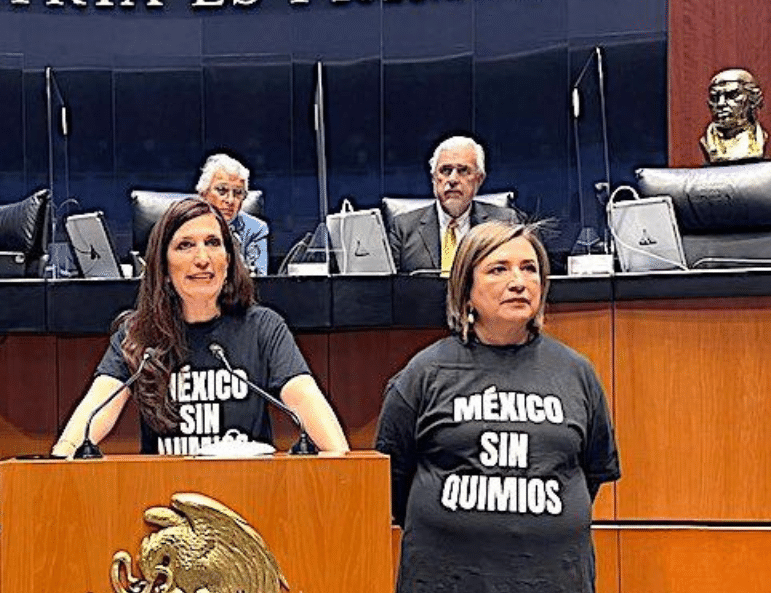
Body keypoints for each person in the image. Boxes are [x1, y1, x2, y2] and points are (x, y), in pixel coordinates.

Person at [374, 221, 620, 593]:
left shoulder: (576, 373)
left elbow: (590, 474)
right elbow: (392, 479)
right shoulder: (424, 374)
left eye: (530, 268)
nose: (518, 281)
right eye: (498, 269)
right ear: (465, 290)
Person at [51, 196, 348, 457]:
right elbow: (85, 424)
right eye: (185, 245)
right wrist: (59, 460)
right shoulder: (138, 334)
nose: (203, 259)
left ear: (228, 260)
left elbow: (328, 437)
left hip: (248, 494)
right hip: (164, 497)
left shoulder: (264, 329)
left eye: (213, 243)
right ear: (163, 267)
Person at [388, 135, 518, 275]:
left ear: (479, 179)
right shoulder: (403, 228)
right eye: (445, 170)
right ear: (434, 178)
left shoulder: (504, 223)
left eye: (463, 170)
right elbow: (390, 285)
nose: (453, 179)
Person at [196, 153, 270, 275]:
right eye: (222, 190)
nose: (230, 200)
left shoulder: (255, 229)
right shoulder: (185, 226)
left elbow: (259, 279)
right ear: (204, 193)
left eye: (238, 193)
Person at [699, 68, 766, 163]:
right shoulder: (707, 142)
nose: (720, 103)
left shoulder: (761, 138)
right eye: (715, 97)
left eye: (732, 95)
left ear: (752, 100)